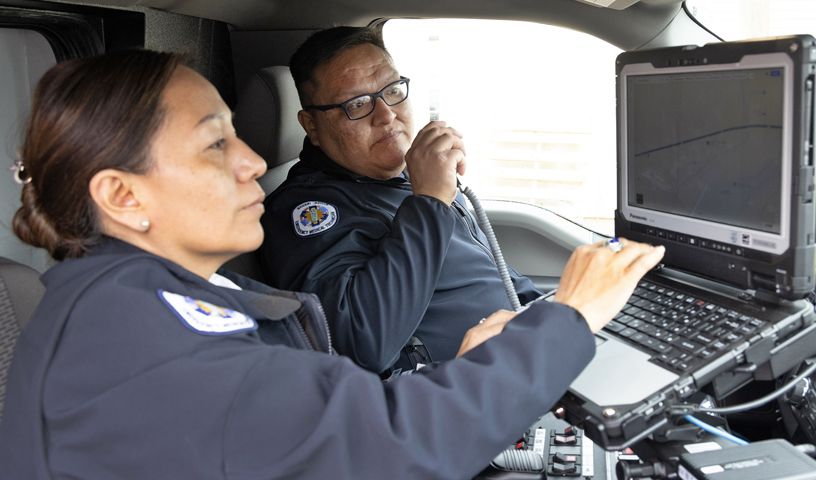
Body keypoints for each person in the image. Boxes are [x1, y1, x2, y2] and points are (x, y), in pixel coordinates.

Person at [0, 49, 663, 479]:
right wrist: (567, 320)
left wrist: (478, 363)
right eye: (214, 144)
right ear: (123, 196)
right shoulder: (131, 341)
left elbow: (314, 419)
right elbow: (385, 442)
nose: (253, 160)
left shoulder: (157, 298)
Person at [259, 26, 543, 374]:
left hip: (527, 357)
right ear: (312, 126)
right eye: (358, 104)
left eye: (392, 90)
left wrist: (551, 312)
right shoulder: (306, 212)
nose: (386, 115)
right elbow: (363, 343)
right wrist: (429, 203)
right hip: (458, 394)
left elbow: (489, 274)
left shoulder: (410, 175)